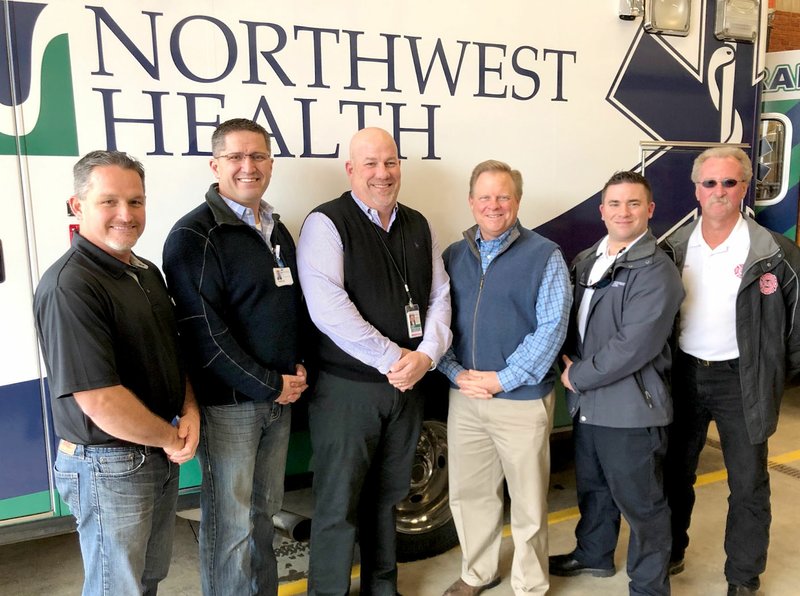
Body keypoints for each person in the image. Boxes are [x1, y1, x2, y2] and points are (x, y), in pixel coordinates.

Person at [33, 150, 200, 596]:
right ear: (77, 205)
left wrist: (188, 409)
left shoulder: (146, 273)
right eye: (109, 202)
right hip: (109, 464)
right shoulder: (72, 285)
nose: (126, 215)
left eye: (136, 201)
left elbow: (171, 352)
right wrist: (170, 438)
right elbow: (99, 399)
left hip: (154, 452)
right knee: (117, 587)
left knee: (145, 579)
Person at [297, 127, 452, 595]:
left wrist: (427, 355)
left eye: (390, 162)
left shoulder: (419, 224)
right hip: (347, 392)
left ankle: (382, 589)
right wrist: (393, 358)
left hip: (407, 387)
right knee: (338, 505)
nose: (382, 173)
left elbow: (440, 295)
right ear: (351, 170)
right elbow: (328, 308)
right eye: (370, 164)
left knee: (387, 500)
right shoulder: (326, 223)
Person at [162, 118, 308, 596]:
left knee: (263, 517)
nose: (249, 167)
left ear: (270, 162)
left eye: (259, 156)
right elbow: (205, 335)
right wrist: (271, 383)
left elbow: (289, 308)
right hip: (230, 408)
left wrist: (297, 364)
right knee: (231, 527)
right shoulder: (194, 236)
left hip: (276, 401)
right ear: (215, 164)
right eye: (236, 157)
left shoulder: (276, 228)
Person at [662, 147, 800, 596]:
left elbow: (797, 331)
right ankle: (671, 552)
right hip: (684, 375)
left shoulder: (776, 254)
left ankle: (742, 576)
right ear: (696, 188)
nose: (719, 192)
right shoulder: (673, 249)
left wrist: (774, 376)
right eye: (710, 183)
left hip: (744, 380)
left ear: (744, 187)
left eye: (730, 182)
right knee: (675, 473)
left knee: (749, 483)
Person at [438, 160, 571, 596]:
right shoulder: (453, 255)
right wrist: (457, 373)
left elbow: (551, 327)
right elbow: (440, 322)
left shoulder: (544, 254)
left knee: (529, 503)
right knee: (469, 494)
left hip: (521, 398)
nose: (494, 205)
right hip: (466, 396)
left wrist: (502, 379)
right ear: (471, 202)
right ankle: (478, 572)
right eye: (485, 196)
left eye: (503, 196)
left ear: (517, 201)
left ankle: (530, 584)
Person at [549, 171, 683, 596]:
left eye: (633, 204)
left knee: (643, 505)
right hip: (589, 403)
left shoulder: (656, 270)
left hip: (630, 407)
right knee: (594, 487)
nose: (623, 212)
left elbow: (634, 345)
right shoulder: (589, 259)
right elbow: (573, 319)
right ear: (601, 210)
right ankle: (594, 552)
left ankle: (648, 586)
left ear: (650, 210)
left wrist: (578, 374)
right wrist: (564, 359)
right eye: (615, 204)